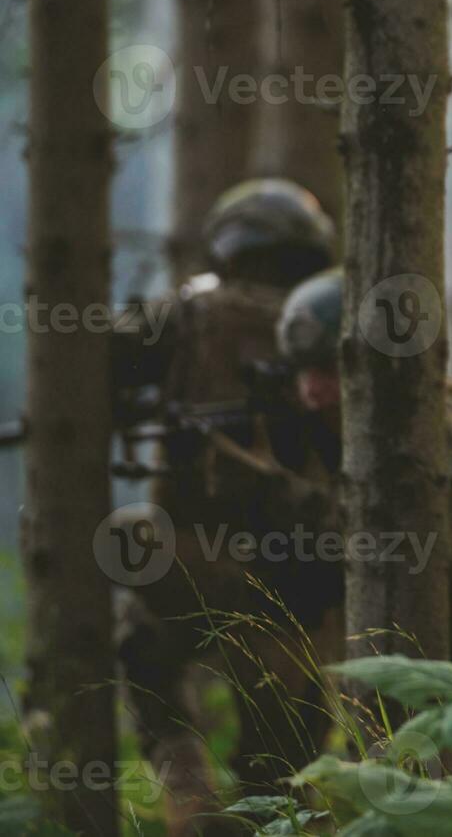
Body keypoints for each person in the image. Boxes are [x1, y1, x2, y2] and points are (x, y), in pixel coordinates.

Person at [114, 178, 341, 836]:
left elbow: (98, 361)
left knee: (145, 647)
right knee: (285, 759)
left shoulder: (191, 312)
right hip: (303, 575)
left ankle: (192, 802)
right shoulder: (333, 323)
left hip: (192, 561)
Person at [269, 269, 452, 657]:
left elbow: (429, 546)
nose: (310, 389)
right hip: (441, 652)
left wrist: (298, 503)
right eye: (302, 371)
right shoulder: (337, 429)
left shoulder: (441, 420)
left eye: (329, 369)